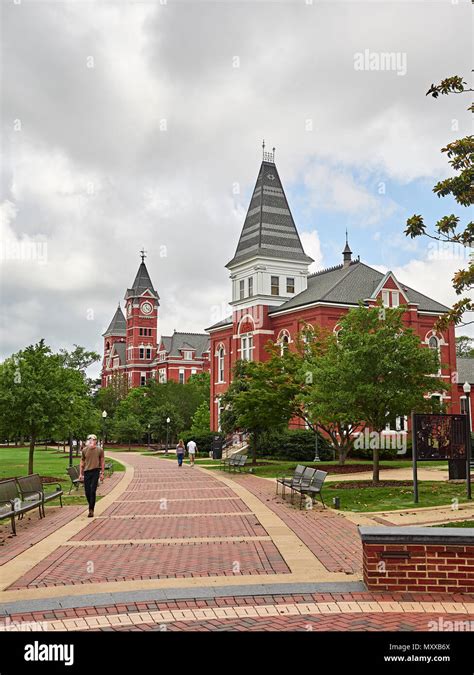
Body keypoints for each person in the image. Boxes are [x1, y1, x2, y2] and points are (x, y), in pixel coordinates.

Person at [79, 434, 104, 517]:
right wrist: (80, 473)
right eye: (90, 439)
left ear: (96, 441)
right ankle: (91, 504)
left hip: (95, 471)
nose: (91, 441)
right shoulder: (84, 450)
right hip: (87, 472)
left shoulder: (100, 450)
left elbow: (102, 461)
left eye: (93, 439)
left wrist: (102, 473)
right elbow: (82, 462)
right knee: (87, 492)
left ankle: (91, 510)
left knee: (93, 490)